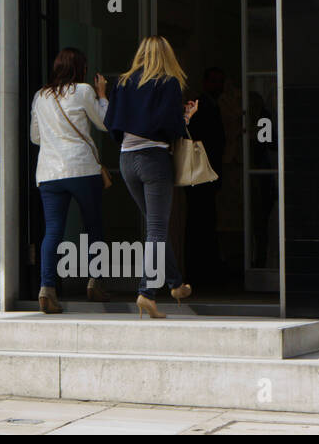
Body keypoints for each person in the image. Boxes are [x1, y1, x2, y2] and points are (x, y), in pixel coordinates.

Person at [104, 36, 197, 319]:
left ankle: (176, 284)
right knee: (156, 230)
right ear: (167, 55)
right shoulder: (167, 82)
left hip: (126, 160)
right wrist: (187, 118)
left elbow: (111, 122)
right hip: (154, 161)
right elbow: (170, 126)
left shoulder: (123, 82)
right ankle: (146, 292)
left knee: (156, 227)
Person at [29, 47, 110, 314]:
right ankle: (94, 282)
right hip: (81, 168)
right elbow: (104, 123)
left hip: (49, 173)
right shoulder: (84, 91)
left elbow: (35, 138)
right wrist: (102, 95)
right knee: (93, 226)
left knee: (52, 231)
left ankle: (47, 289)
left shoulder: (40, 96)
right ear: (80, 69)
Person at [184, 67, 228, 283]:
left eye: (221, 82)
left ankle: (206, 268)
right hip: (200, 173)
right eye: (215, 82)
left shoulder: (212, 104)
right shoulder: (200, 105)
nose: (219, 86)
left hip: (207, 172)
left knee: (206, 219)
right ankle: (200, 270)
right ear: (205, 83)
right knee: (199, 220)